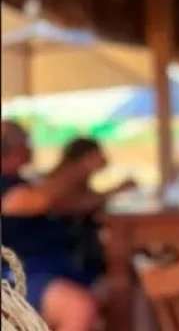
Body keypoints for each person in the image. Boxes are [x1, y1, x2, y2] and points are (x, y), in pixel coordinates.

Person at [1, 121, 100, 331]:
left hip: (53, 267)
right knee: (78, 307)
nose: (31, 147)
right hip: (19, 274)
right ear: (13, 148)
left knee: (121, 287)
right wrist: (80, 166)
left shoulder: (20, 180)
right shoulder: (7, 187)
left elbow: (69, 205)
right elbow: (38, 201)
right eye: (26, 141)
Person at [50, 137, 136, 285]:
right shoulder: (63, 180)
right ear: (86, 157)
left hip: (82, 246)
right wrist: (115, 191)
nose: (104, 158)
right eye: (99, 154)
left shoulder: (79, 179)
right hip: (71, 250)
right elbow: (73, 205)